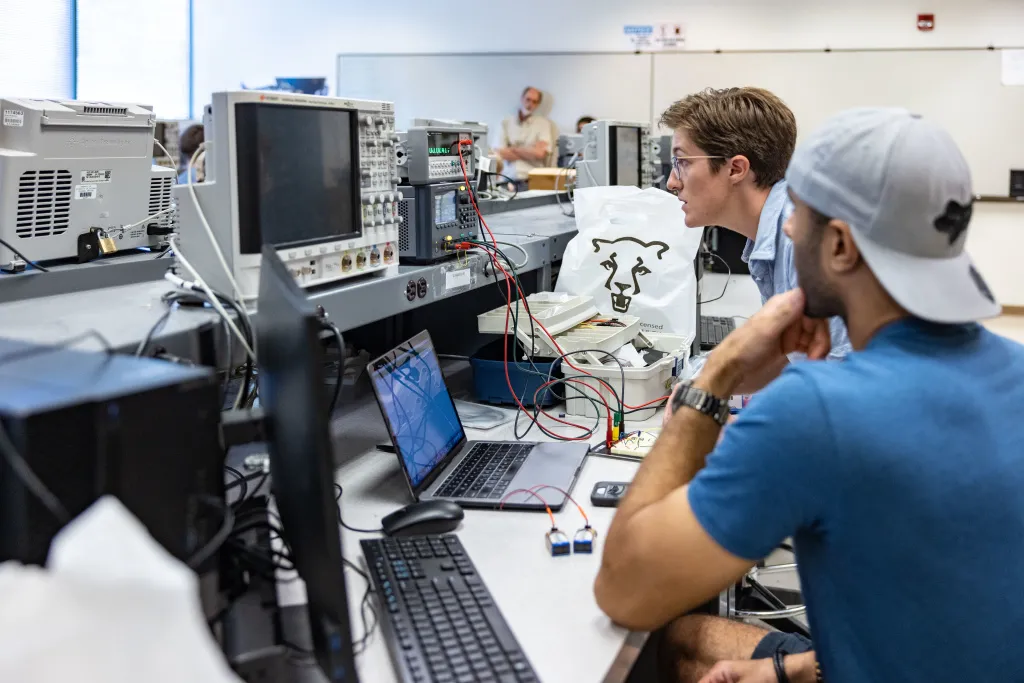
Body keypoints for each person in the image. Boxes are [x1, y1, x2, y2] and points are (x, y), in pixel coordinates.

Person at [594, 108, 1023, 683]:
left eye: (799, 213)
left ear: (841, 247)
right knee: (689, 641)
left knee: (654, 643)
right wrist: (789, 670)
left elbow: (625, 590)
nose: (788, 229)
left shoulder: (818, 409)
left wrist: (716, 377)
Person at [662, 88, 850, 364]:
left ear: (736, 169)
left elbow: (839, 385)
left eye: (683, 162)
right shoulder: (776, 232)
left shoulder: (802, 242)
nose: (672, 182)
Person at [498, 87, 554, 187]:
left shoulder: (543, 124)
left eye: (534, 101)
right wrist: (530, 151)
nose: (530, 104)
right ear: (522, 98)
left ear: (538, 104)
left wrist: (512, 149)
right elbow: (500, 152)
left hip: (531, 179)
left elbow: (540, 153)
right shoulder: (506, 122)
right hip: (507, 177)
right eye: (528, 99)